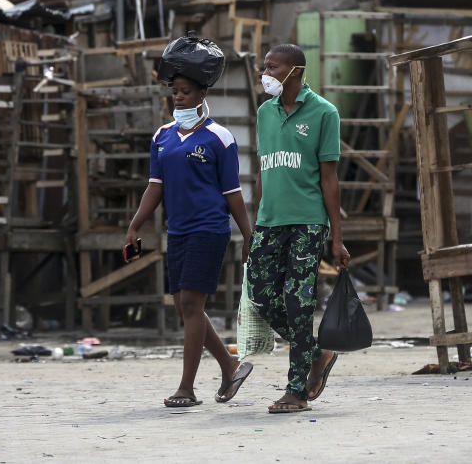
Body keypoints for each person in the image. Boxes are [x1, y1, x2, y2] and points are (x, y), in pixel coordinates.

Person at [125, 35, 254, 408]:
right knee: (184, 305)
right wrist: (135, 225)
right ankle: (230, 365)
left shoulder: (219, 138)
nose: (177, 97)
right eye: (174, 92)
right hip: (177, 232)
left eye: (184, 92)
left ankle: (187, 387)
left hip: (209, 230)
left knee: (192, 306)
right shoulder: (162, 137)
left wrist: (247, 234)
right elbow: (155, 187)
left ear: (201, 94)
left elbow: (232, 192)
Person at [248, 43, 350, 414]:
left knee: (298, 301)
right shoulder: (264, 113)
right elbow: (264, 171)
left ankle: (296, 390)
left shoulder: (325, 113)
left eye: (272, 68)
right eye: (265, 67)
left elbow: (330, 179)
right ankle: (317, 353)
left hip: (308, 222)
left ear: (295, 71)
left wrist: (336, 238)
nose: (266, 74)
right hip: (269, 222)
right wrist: (255, 223)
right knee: (260, 295)